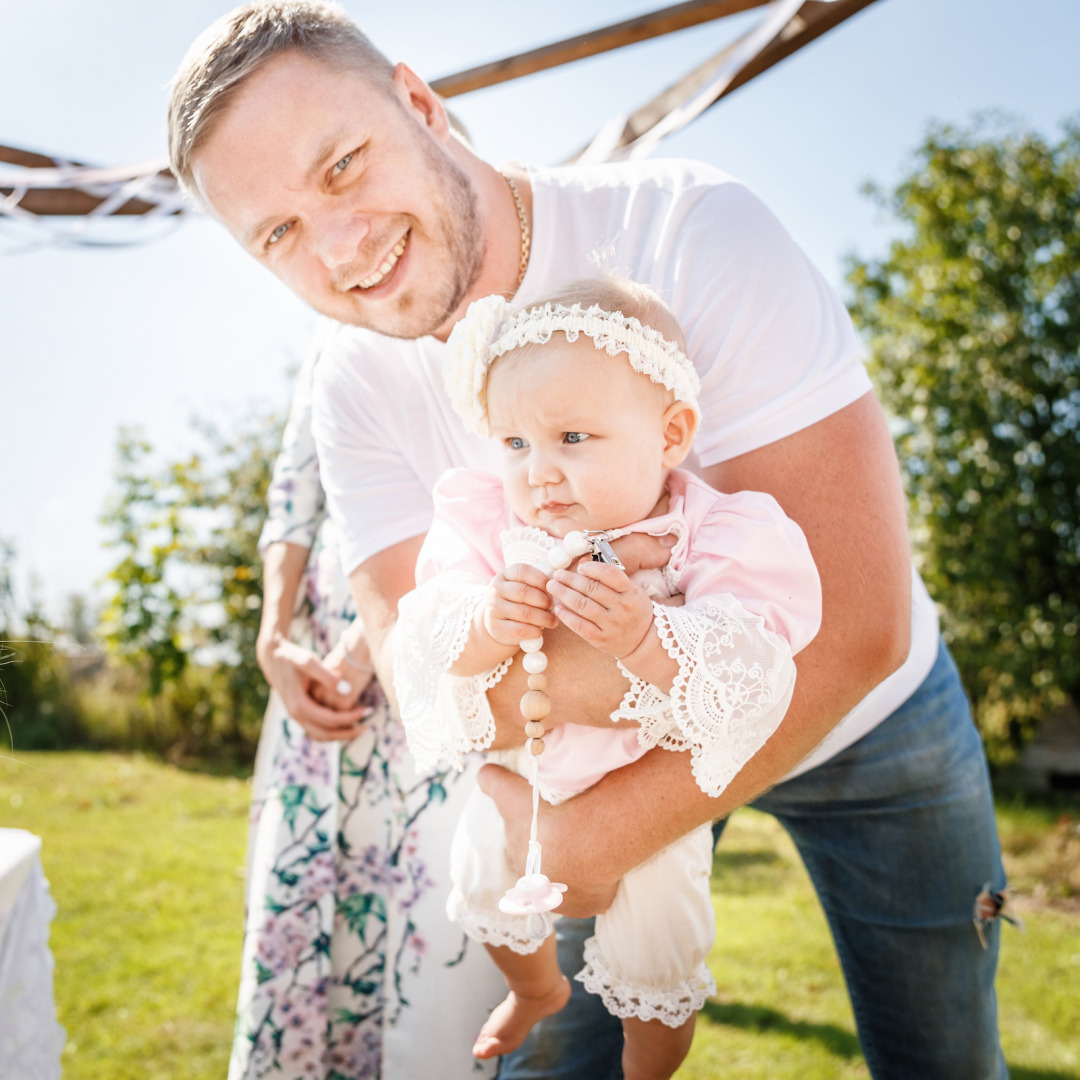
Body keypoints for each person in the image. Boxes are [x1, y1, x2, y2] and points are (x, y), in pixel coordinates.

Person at [168, 4, 1010, 1077]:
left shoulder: (693, 228)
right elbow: (420, 679)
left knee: (944, 1056)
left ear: (420, 104)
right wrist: (547, 773)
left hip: (866, 725)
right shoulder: (352, 385)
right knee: (556, 1058)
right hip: (596, 757)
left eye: (342, 166)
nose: (340, 250)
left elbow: (850, 623)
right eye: (277, 233)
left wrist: (589, 834)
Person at [391, 278, 823, 1080]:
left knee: (660, 953)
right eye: (515, 444)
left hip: (649, 784)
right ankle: (533, 988)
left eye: (572, 437)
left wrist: (647, 633)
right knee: (480, 878)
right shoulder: (495, 530)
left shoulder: (706, 535)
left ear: (671, 434)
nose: (540, 474)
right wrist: (489, 621)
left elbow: (748, 660)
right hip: (529, 766)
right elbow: (429, 633)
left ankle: (649, 1067)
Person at [231, 324, 504, 1080]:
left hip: (440, 663)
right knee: (310, 900)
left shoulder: (478, 326)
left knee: (430, 943)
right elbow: (294, 491)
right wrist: (274, 635)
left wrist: (366, 643)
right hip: (317, 682)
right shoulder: (330, 335)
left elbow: (490, 496)